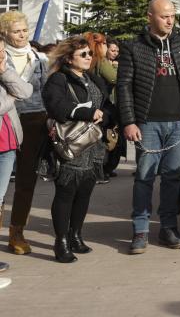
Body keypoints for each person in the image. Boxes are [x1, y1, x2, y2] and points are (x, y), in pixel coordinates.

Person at [118, 0, 180, 254]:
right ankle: (140, 229)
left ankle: (168, 226)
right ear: (150, 17)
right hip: (148, 124)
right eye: (164, 16)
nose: (169, 21)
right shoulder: (133, 47)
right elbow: (123, 87)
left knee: (172, 177)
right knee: (144, 178)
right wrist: (129, 121)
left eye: (172, 16)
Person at [43, 37, 112, 263]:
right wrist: (87, 113)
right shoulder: (59, 79)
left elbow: (107, 106)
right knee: (66, 194)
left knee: (84, 193)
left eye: (89, 54)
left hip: (94, 147)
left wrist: (106, 117)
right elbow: (55, 106)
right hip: (70, 146)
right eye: (83, 54)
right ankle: (61, 241)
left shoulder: (92, 78)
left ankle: (75, 235)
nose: (88, 57)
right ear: (68, 57)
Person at [0, 11, 49, 255]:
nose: (22, 35)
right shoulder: (1, 56)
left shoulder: (38, 57)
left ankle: (16, 231)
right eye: (16, 31)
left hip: (34, 121)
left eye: (24, 30)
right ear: (5, 34)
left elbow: (46, 90)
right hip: (6, 119)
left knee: (26, 181)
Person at [0, 33, 33, 281]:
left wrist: (4, 72)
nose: (2, 56)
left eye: (3, 51)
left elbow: (25, 91)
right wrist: (8, 99)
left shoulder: (4, 71)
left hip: (8, 144)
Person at [85, 32, 119, 183]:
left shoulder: (86, 60)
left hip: (89, 106)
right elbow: (114, 77)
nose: (107, 46)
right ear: (98, 46)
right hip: (102, 106)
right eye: (104, 43)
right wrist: (117, 67)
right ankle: (99, 172)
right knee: (102, 141)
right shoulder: (101, 60)